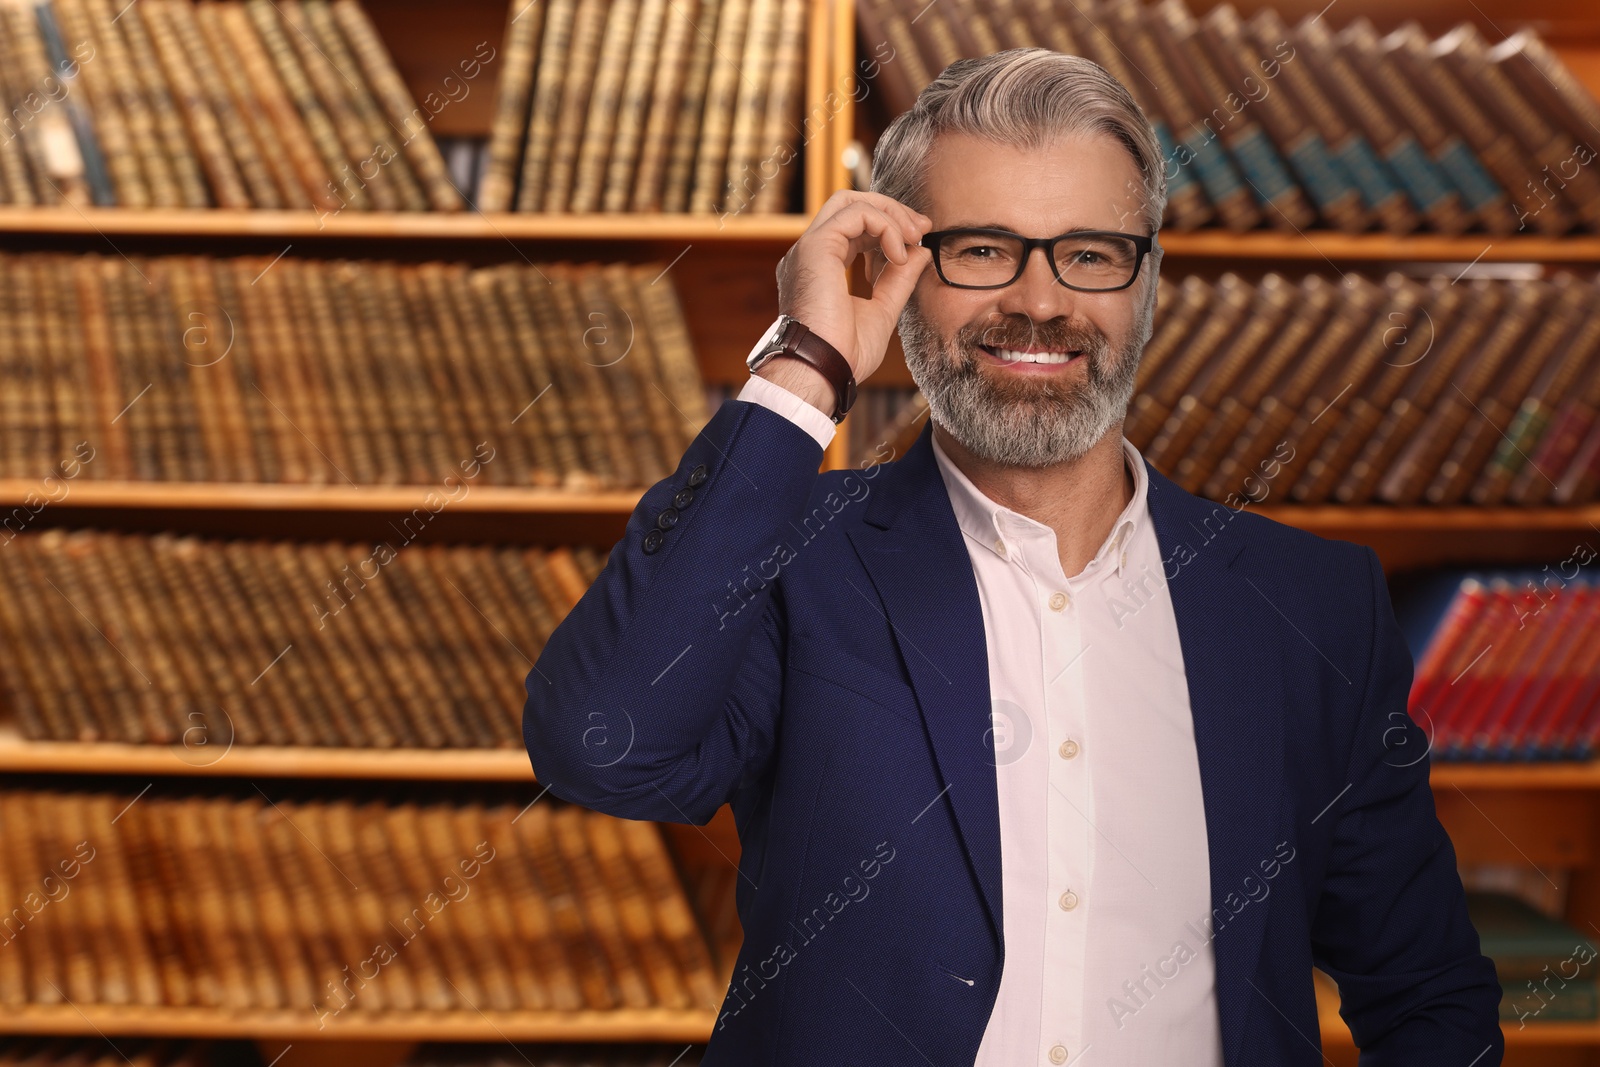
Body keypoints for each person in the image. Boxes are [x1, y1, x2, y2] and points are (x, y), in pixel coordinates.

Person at [523, 47, 1503, 1067]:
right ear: (900, 275)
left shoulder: (1308, 604)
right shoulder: (794, 561)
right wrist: (805, 370)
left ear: (1149, 282)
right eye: (983, 249)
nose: (1039, 300)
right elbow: (602, 746)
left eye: (1088, 251)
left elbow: (1426, 990)